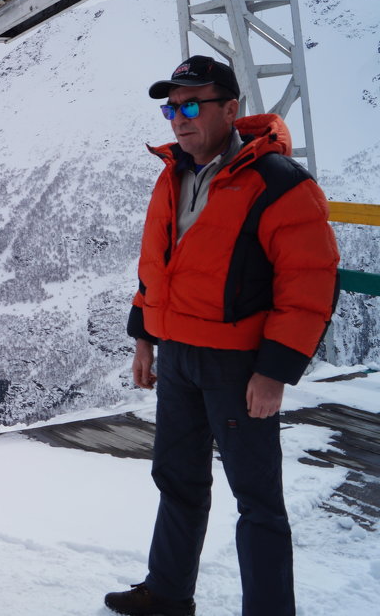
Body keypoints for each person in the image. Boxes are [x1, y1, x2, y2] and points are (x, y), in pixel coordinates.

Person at [105, 56, 339, 616]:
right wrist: (144, 337)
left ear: (230, 109)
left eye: (191, 105)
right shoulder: (173, 174)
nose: (178, 119)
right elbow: (155, 265)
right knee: (177, 480)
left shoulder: (279, 183)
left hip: (238, 368)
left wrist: (275, 370)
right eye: (171, 107)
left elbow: (310, 282)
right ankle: (167, 593)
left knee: (257, 500)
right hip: (179, 358)